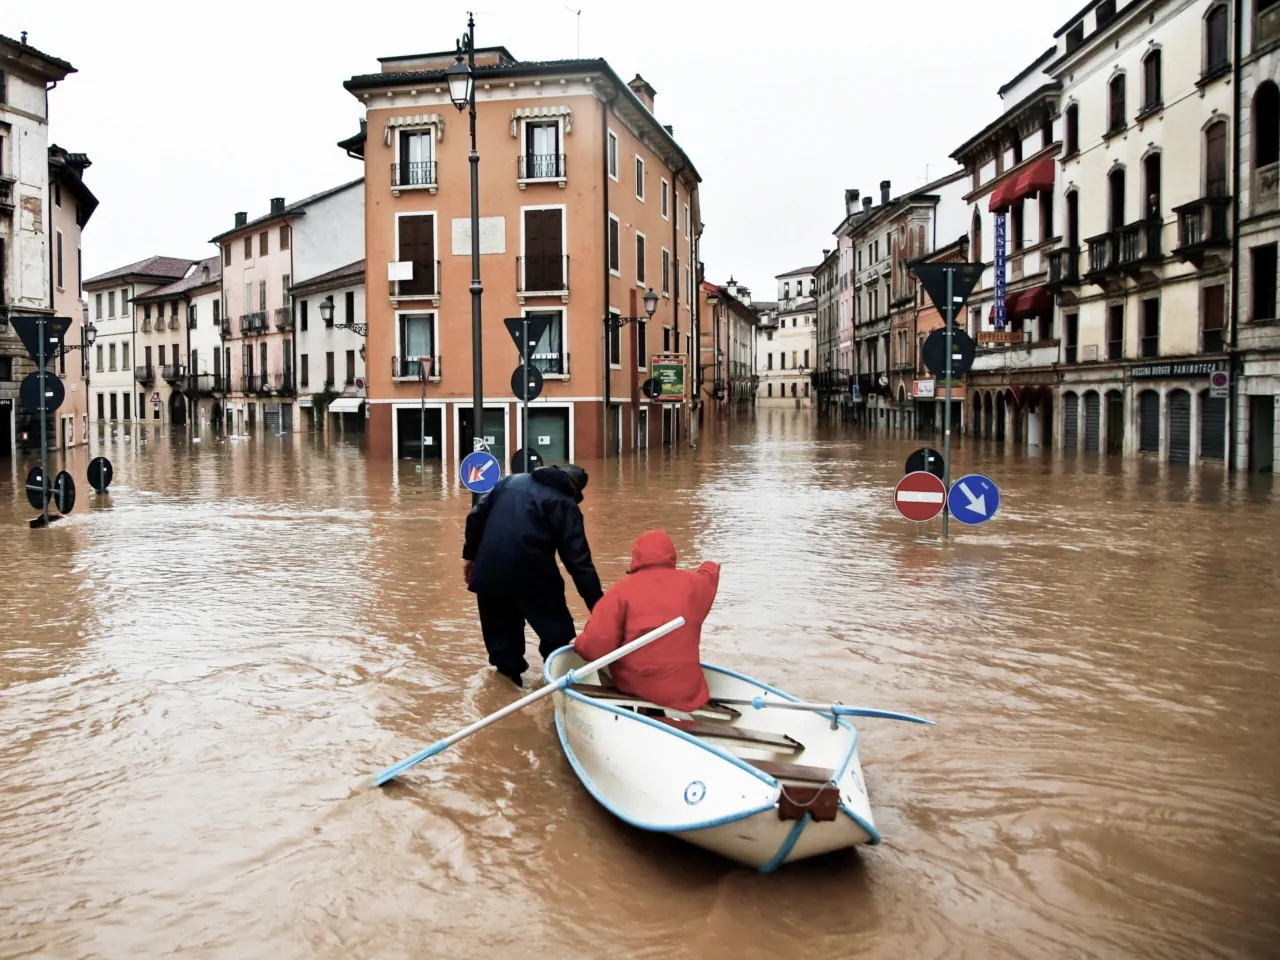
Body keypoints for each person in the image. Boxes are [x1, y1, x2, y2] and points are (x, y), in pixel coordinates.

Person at [463, 464, 603, 687]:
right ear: (575, 489)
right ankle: (557, 687)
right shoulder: (565, 504)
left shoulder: (510, 481)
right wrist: (599, 608)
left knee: (502, 642)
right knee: (558, 637)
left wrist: (470, 557)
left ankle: (506, 691)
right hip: (533, 578)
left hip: (489, 573)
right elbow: (578, 563)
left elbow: (475, 518)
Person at [574, 530, 720, 713]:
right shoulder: (694, 584)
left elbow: (595, 648)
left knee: (604, 663)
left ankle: (624, 712)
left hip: (640, 688)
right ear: (671, 555)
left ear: (636, 557)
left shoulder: (620, 591)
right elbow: (710, 575)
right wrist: (710, 565)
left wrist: (579, 643)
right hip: (688, 691)